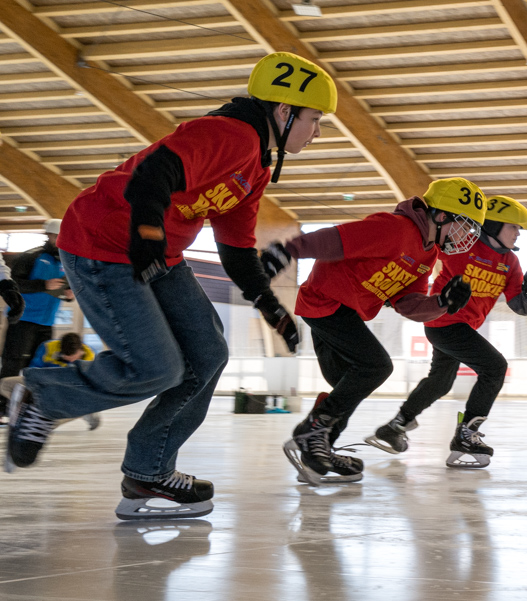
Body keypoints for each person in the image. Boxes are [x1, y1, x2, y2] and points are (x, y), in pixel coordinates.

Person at [4, 52, 332, 521]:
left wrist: (269, 304)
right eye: (314, 119)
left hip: (159, 254)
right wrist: (148, 238)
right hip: (103, 243)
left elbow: (236, 249)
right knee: (155, 368)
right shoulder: (229, 134)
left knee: (208, 354)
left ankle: (148, 473)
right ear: (284, 111)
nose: (317, 131)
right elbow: (152, 175)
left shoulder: (256, 163)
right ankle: (43, 397)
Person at [259, 177, 484, 484]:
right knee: (376, 366)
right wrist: (289, 250)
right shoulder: (394, 228)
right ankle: (312, 432)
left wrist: (442, 303)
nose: (466, 235)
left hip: (343, 311)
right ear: (441, 216)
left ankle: (316, 453)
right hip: (325, 302)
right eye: (464, 225)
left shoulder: (427, 253)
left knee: (346, 385)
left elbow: (407, 303)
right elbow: (338, 239)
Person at [364, 195, 527, 468]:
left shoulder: (510, 262)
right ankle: (467, 435)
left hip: (459, 328)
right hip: (444, 321)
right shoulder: (464, 244)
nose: (518, 233)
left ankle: (395, 426)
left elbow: (520, 307)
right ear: (496, 224)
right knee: (495, 367)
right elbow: (424, 250)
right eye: (514, 227)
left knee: (441, 381)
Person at [0, 219, 67, 418]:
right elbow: (14, 283)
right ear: (51, 236)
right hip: (24, 319)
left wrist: (68, 294)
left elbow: (60, 288)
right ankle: (2, 406)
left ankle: (31, 407)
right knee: (14, 364)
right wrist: (43, 285)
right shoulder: (30, 257)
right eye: (58, 237)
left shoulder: (63, 260)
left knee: (41, 366)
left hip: (47, 322)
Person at [29, 332, 100, 430]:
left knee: (49, 422)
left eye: (74, 358)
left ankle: (84, 411)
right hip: (49, 386)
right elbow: (33, 371)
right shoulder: (47, 348)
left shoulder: (91, 356)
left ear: (81, 350)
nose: (71, 361)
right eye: (67, 358)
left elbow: (95, 384)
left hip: (74, 392)